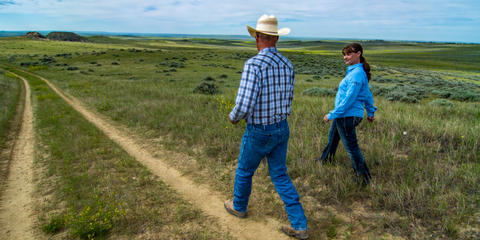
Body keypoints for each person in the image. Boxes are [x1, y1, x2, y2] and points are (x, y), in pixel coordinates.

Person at [224, 14, 308, 239]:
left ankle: (239, 207)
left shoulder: (254, 64)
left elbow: (244, 102)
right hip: (282, 127)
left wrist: (234, 117)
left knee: (244, 170)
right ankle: (299, 224)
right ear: (276, 38)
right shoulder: (287, 64)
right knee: (280, 175)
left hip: (259, 130)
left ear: (258, 37)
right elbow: (288, 98)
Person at [317, 43, 376, 186]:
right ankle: (326, 159)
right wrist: (370, 111)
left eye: (349, 54)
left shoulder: (356, 74)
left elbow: (349, 99)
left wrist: (331, 114)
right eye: (344, 54)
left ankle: (363, 178)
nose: (345, 57)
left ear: (358, 54)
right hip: (344, 115)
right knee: (333, 138)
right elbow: (367, 94)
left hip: (347, 116)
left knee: (351, 147)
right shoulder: (356, 72)